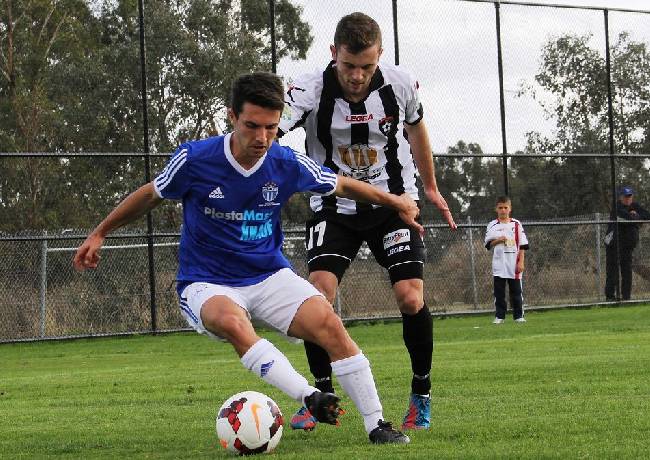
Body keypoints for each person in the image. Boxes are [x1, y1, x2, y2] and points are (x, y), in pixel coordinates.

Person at [72, 72, 420, 444]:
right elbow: (150, 194)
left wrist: (395, 200)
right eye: (252, 126)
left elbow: (342, 184)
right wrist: (100, 232)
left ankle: (377, 424)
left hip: (269, 274)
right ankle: (309, 396)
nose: (262, 138)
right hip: (207, 281)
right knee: (234, 323)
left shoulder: (287, 163)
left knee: (329, 326)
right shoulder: (195, 159)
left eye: (271, 127)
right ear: (232, 117)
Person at [277, 12, 456, 431]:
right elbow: (272, 128)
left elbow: (416, 131)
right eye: (348, 65)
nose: (357, 76)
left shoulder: (401, 85)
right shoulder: (307, 89)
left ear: (379, 59)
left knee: (411, 297)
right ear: (333, 54)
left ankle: (421, 394)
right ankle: (321, 394)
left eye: (367, 67)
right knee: (316, 296)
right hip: (333, 207)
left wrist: (429, 187)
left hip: (393, 205)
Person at [484, 196, 529, 324]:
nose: (503, 210)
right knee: (499, 293)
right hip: (499, 264)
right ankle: (500, 316)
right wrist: (499, 240)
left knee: (516, 292)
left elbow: (523, 245)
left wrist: (521, 262)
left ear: (510, 209)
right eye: (500, 208)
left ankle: (519, 316)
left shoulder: (516, 224)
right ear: (496, 209)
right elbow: (488, 245)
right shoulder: (492, 225)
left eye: (505, 207)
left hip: (514, 264)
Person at [604, 186, 650, 301]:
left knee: (627, 272)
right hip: (614, 245)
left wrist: (636, 216)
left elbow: (648, 216)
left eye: (630, 196)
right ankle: (610, 297)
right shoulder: (617, 208)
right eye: (626, 196)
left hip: (627, 246)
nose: (628, 199)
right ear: (620, 197)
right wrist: (635, 217)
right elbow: (628, 218)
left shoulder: (635, 206)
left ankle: (626, 298)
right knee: (613, 271)